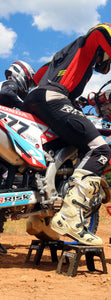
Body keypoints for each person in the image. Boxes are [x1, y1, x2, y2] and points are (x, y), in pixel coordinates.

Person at [23, 23, 111, 246]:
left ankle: (39, 216)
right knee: (99, 149)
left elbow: (41, 75)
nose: (105, 65)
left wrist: (77, 101)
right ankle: (70, 217)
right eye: (108, 60)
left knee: (58, 156)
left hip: (36, 100)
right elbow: (103, 30)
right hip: (54, 98)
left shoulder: (62, 55)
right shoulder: (87, 43)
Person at [0, 60, 36, 253]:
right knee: (4, 179)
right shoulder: (8, 84)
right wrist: (27, 107)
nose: (27, 88)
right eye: (29, 83)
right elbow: (7, 93)